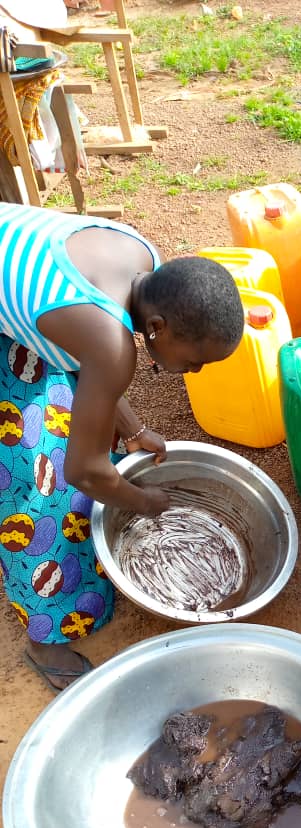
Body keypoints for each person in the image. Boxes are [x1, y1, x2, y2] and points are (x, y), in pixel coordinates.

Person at [0, 202, 244, 689]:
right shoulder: (113, 343)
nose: (192, 374)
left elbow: (85, 352)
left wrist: (130, 431)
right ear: (156, 328)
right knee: (39, 486)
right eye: (194, 362)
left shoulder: (141, 259)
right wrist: (143, 502)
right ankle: (45, 638)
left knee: (82, 421)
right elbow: (84, 473)